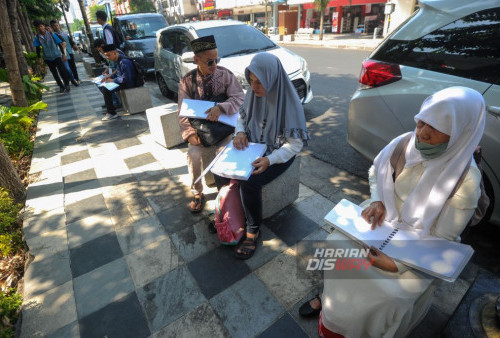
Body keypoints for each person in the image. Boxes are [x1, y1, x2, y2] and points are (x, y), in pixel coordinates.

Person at [299, 86, 485, 337]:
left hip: (422, 244)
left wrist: (397, 264)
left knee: (391, 294)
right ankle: (331, 304)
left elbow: (443, 239)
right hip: (384, 220)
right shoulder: (405, 143)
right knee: (335, 246)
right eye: (422, 123)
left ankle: (362, 329)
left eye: (437, 129)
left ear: (462, 133)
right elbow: (377, 171)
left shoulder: (466, 179)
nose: (424, 135)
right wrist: (377, 200)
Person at [232, 53, 310, 259]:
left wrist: (270, 159)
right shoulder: (253, 95)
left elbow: (294, 145)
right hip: (256, 146)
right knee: (228, 169)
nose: (254, 87)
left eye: (259, 82)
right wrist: (240, 132)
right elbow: (241, 117)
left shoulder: (288, 102)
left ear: (273, 78)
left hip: (279, 152)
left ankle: (253, 230)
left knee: (251, 181)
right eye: (251, 81)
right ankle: (233, 213)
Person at [177, 35, 244, 213]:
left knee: (225, 151)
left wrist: (221, 107)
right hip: (200, 132)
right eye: (210, 62)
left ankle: (227, 191)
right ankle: (197, 192)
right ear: (196, 59)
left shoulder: (225, 75)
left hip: (224, 130)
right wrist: (190, 133)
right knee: (193, 155)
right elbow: (182, 111)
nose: (214, 65)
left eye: (216, 60)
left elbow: (239, 98)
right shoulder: (187, 81)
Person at [100, 44, 138, 121]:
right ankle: (111, 109)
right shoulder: (118, 59)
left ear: (114, 53)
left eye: (108, 55)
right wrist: (110, 75)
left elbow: (126, 79)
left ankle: (112, 113)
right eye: (106, 56)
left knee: (106, 89)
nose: (107, 58)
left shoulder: (123, 61)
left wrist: (113, 80)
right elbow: (118, 70)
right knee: (105, 84)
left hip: (129, 83)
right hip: (123, 81)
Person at [33, 20, 71, 93]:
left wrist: (63, 54)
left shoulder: (52, 34)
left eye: (41, 26)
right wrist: (39, 58)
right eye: (38, 27)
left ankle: (67, 84)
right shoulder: (37, 37)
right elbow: (37, 48)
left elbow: (59, 44)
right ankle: (61, 86)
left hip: (56, 55)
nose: (40, 28)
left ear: (44, 26)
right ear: (37, 28)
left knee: (62, 70)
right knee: (54, 73)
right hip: (48, 58)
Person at [94, 39, 122, 110]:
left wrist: (109, 75)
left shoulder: (113, 52)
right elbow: (111, 65)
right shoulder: (107, 52)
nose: (99, 51)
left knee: (104, 83)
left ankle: (115, 102)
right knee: (98, 82)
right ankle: (110, 101)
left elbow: (118, 68)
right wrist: (106, 72)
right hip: (114, 73)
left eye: (99, 48)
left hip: (119, 75)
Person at [50, 20, 80, 86]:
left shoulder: (64, 33)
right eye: (54, 26)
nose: (56, 27)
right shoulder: (52, 35)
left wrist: (74, 45)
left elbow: (70, 40)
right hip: (60, 54)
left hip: (69, 52)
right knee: (64, 69)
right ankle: (68, 81)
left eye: (57, 25)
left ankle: (76, 79)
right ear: (51, 27)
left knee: (73, 66)